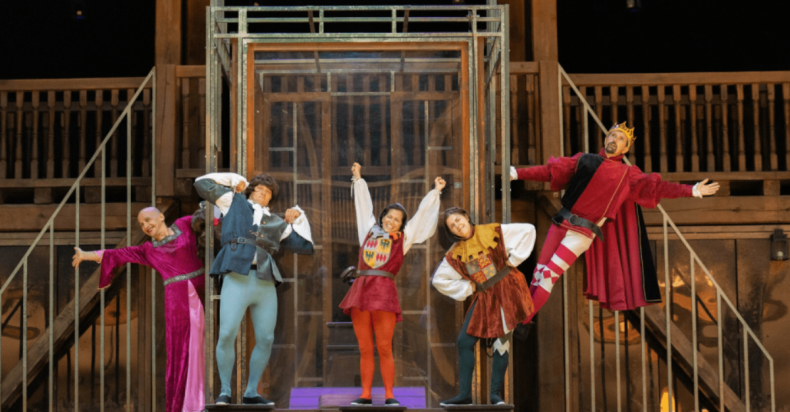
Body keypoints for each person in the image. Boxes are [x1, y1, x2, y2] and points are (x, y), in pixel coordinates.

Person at [512, 122, 721, 317]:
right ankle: (519, 322)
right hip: (560, 223)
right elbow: (550, 172)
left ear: (625, 149)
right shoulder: (584, 160)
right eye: (612, 135)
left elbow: (658, 188)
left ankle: (519, 321)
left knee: (548, 276)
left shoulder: (627, 175)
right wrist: (516, 173)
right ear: (606, 139)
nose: (615, 139)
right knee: (538, 275)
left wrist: (692, 190)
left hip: (581, 233)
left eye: (621, 139)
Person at [194, 172, 314, 406]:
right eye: (259, 188)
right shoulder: (232, 200)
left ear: (271, 199)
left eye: (268, 192)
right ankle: (225, 392)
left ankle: (251, 392)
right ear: (250, 190)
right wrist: (234, 179)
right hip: (237, 278)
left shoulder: (277, 221)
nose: (263, 193)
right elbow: (201, 183)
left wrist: (299, 217)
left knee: (266, 338)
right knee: (227, 333)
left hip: (264, 281)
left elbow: (305, 246)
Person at [72, 207, 207, 412]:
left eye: (148, 220)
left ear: (161, 216)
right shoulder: (148, 250)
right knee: (182, 350)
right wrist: (86, 255)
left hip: (204, 292)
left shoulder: (184, 224)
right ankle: (188, 405)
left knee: (209, 342)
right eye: (142, 224)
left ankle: (209, 396)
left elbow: (208, 218)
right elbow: (117, 254)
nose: (145, 226)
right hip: (177, 302)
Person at [338, 162, 444, 407]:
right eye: (389, 216)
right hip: (361, 292)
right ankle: (365, 395)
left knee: (385, 347)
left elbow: (420, 217)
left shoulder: (404, 239)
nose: (392, 221)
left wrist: (435, 192)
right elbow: (363, 207)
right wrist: (358, 179)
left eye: (397, 219)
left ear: (401, 224)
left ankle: (389, 395)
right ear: (383, 217)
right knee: (365, 348)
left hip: (384, 293)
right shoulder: (368, 230)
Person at [431, 207, 536, 406]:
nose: (457, 226)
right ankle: (465, 395)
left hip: (507, 290)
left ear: (466, 217)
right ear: (450, 231)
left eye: (458, 220)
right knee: (464, 341)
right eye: (452, 225)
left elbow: (528, 230)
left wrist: (514, 259)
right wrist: (468, 287)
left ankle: (495, 396)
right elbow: (438, 280)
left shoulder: (493, 231)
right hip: (485, 295)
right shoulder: (455, 254)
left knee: (501, 344)